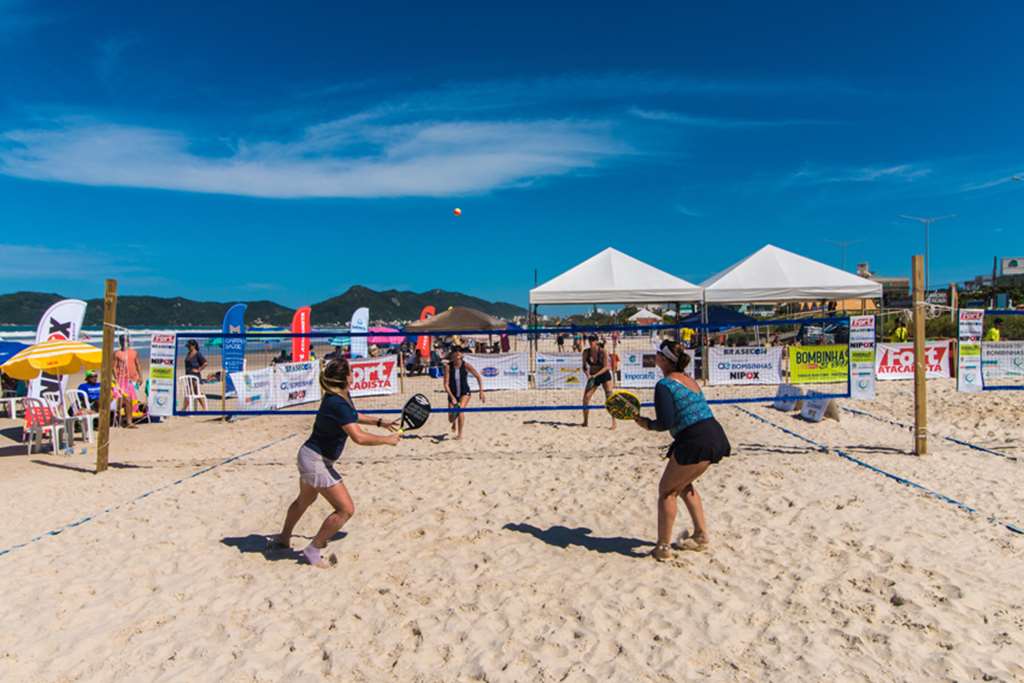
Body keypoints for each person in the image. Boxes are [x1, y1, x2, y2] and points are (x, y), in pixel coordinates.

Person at [273, 359, 400, 567]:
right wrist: (387, 440)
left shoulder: (339, 396)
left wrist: (380, 422)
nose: (353, 374)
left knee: (303, 501)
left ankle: (283, 538)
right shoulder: (337, 402)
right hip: (315, 461)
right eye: (351, 371)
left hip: (309, 456)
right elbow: (358, 437)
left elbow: (352, 416)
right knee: (345, 510)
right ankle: (313, 549)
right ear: (346, 377)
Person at [634, 339, 731, 561]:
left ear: (665, 360)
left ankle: (663, 547)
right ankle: (700, 535)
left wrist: (646, 424)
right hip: (714, 435)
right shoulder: (688, 379)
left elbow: (665, 422)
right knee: (684, 485)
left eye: (659, 353)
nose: (655, 355)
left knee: (667, 491)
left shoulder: (665, 384)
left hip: (694, 439)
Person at [443, 347, 485, 440]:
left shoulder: (466, 365)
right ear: (452, 356)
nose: (457, 355)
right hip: (452, 393)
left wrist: (481, 391)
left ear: (461, 355)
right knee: (450, 419)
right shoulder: (448, 366)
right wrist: (452, 397)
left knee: (460, 410)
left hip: (464, 392)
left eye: (459, 353)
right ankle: (454, 422)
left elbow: (478, 377)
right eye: (455, 353)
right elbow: (445, 384)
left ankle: (460, 434)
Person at [581, 335, 616, 429]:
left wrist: (594, 376)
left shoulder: (603, 351)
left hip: (604, 375)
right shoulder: (586, 352)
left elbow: (606, 367)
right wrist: (587, 375)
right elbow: (584, 366)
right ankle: (585, 421)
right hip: (593, 376)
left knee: (609, 398)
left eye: (592, 340)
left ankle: (613, 422)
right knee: (586, 398)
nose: (590, 342)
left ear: (596, 341)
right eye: (589, 340)